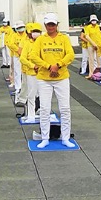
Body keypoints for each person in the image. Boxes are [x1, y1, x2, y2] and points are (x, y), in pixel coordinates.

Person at [30, 13, 75, 148]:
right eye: (49, 24)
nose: (51, 27)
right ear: (45, 25)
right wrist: (49, 66)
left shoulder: (64, 38)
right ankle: (45, 137)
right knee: (44, 109)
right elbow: (33, 55)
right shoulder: (40, 40)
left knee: (65, 108)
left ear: (56, 25)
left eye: (53, 24)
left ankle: (65, 137)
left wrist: (59, 65)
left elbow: (70, 54)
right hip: (44, 78)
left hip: (61, 77)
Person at [19, 22, 43, 123]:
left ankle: (43, 113)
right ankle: (31, 114)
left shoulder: (43, 42)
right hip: (31, 72)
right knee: (31, 94)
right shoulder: (27, 43)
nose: (35, 33)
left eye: (38, 31)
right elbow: (22, 58)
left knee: (43, 94)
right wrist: (33, 66)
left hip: (43, 72)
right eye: (34, 31)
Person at [80, 15, 101, 79]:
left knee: (99, 60)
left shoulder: (99, 27)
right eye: (93, 20)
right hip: (90, 45)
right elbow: (87, 36)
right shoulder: (87, 27)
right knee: (91, 59)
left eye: (95, 20)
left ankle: (99, 73)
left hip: (98, 45)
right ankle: (91, 74)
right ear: (90, 21)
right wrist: (93, 44)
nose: (94, 21)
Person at [9, 21, 26, 105]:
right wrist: (18, 50)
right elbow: (11, 44)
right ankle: (18, 87)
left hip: (25, 55)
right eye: (19, 28)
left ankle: (25, 87)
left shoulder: (26, 35)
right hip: (17, 55)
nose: (21, 29)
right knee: (17, 72)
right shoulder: (14, 35)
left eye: (22, 27)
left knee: (25, 72)